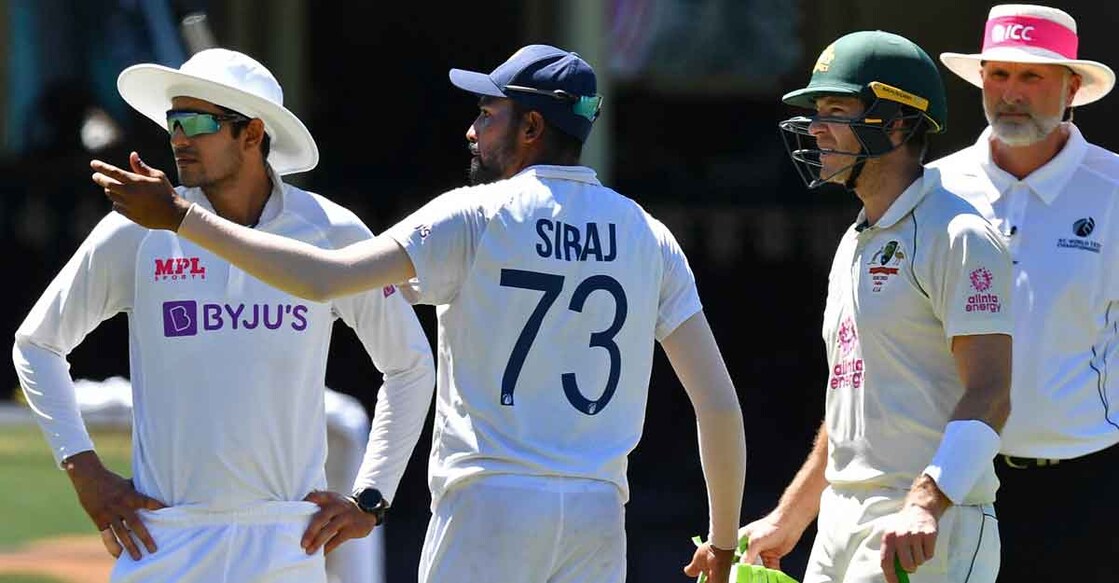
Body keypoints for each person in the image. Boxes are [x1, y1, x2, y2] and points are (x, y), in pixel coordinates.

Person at [90, 43, 748, 583]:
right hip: (599, 511)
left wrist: (180, 219)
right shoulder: (648, 234)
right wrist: (720, 540)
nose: (471, 128)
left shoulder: (474, 214)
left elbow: (322, 278)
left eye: (487, 113)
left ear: (530, 127)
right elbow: (717, 403)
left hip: (489, 501)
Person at [12, 47, 436, 583]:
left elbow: (410, 366)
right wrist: (85, 472)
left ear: (252, 134)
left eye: (196, 122)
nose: (177, 138)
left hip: (288, 542)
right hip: (164, 538)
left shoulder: (332, 231)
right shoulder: (140, 228)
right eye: (172, 121)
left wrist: (371, 497)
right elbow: (36, 344)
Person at [723, 31, 1014, 583]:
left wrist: (927, 501)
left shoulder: (960, 234)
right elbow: (848, 402)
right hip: (841, 519)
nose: (815, 128)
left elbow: (991, 390)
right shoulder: (855, 240)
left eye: (835, 110)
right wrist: (789, 519)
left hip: (927, 522)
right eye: (816, 111)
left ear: (897, 124)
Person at [929, 4, 1119, 579]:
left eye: (1033, 76)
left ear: (1071, 88)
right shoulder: (934, 186)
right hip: (947, 482)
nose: (1012, 92)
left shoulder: (1113, 188)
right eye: (1000, 74)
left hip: (1088, 483)